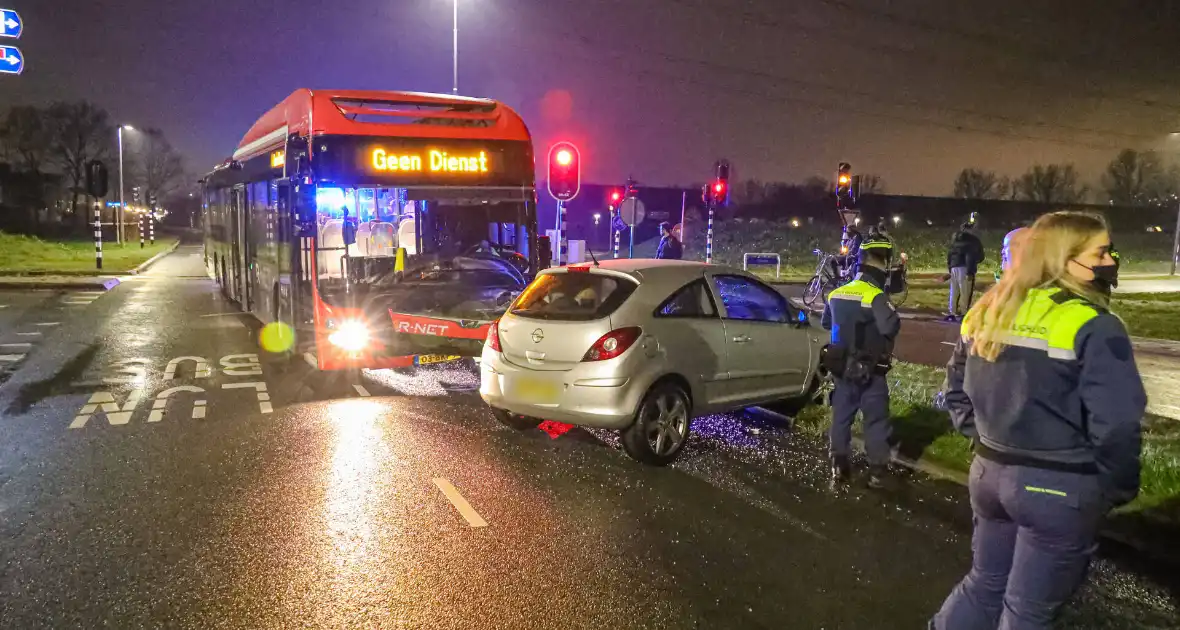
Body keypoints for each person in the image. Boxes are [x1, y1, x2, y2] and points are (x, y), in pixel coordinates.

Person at [931, 211, 1146, 629]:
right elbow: (1117, 426)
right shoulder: (1092, 324)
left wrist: (983, 440)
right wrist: (1115, 488)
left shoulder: (990, 308)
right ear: (1065, 258)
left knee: (983, 585)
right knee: (1027, 611)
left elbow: (955, 391)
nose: (1109, 260)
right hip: (1059, 484)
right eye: (1100, 251)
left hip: (989, 474)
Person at [821, 233, 900, 488]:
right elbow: (890, 326)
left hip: (841, 369)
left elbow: (826, 323)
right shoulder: (875, 296)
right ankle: (877, 474)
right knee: (875, 421)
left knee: (841, 419)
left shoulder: (836, 293)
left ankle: (839, 469)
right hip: (870, 372)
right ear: (885, 261)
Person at [946, 221, 985, 321]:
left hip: (954, 267)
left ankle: (952, 311)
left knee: (954, 291)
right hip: (965, 268)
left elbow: (949, 255)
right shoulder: (972, 241)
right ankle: (964, 312)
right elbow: (971, 257)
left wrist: (950, 267)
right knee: (965, 291)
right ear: (970, 229)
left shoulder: (955, 239)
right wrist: (970, 271)